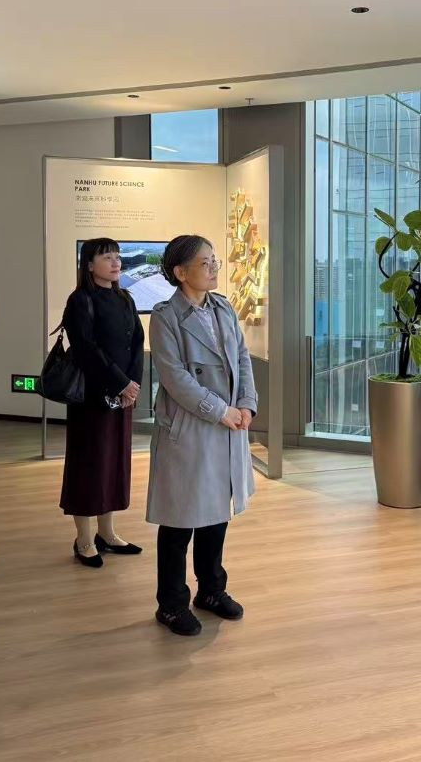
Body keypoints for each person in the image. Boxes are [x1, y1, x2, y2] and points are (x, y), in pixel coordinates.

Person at [147, 235, 257, 637]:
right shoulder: (165, 317)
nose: (213, 269)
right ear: (181, 272)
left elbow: (242, 358)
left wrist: (247, 403)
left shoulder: (223, 307)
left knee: (216, 514)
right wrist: (221, 411)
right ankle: (171, 604)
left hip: (228, 427)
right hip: (191, 427)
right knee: (180, 520)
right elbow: (175, 377)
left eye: (215, 261)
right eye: (205, 263)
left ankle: (211, 590)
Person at [59, 238, 145, 568]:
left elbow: (137, 342)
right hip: (91, 397)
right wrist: (120, 382)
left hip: (122, 395)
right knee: (89, 464)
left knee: (114, 462)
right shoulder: (80, 299)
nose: (115, 262)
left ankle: (107, 533)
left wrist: (132, 385)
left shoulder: (125, 297)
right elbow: (85, 348)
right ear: (89, 264)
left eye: (117, 256)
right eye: (106, 257)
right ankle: (83, 539)